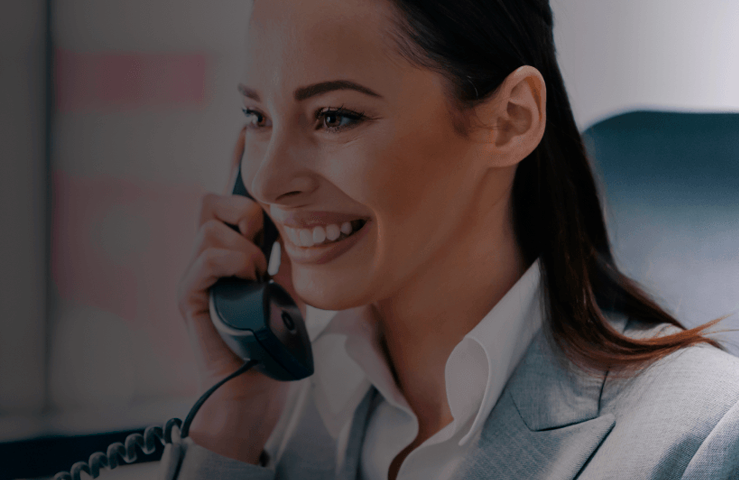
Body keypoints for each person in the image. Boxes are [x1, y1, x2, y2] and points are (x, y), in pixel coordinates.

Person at [169, 0, 739, 479]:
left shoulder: (699, 435)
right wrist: (230, 428)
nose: (267, 179)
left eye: (335, 117)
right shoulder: (283, 428)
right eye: (256, 115)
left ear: (510, 120)